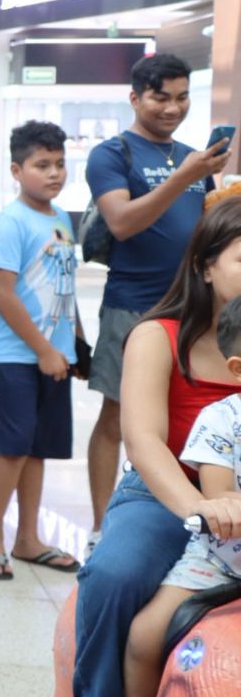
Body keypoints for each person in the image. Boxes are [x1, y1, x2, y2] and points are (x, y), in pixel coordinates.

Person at [44, 198, 241, 697]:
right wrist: (202, 509)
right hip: (171, 495)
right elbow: (145, 440)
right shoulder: (157, 335)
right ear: (205, 265)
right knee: (116, 573)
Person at [99, 293, 241, 697]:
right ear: (237, 368)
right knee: (145, 633)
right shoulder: (222, 420)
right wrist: (220, 505)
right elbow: (218, 492)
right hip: (221, 559)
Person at [84, 54, 225, 538]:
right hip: (132, 306)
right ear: (135, 98)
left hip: (194, 310)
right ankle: (104, 525)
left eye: (182, 97)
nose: (173, 107)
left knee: (192, 412)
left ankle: (179, 506)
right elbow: (122, 223)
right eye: (161, 96)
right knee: (118, 414)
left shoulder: (191, 157)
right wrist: (185, 176)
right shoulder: (113, 154)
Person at [0, 122, 84, 580]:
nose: (54, 173)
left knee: (38, 450)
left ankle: (28, 538)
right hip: (16, 356)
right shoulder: (11, 222)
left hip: (51, 355)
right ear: (17, 170)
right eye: (42, 165)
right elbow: (2, 293)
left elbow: (63, 287)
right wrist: (41, 349)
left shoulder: (60, 219)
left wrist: (71, 346)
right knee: (12, 450)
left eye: (59, 163)